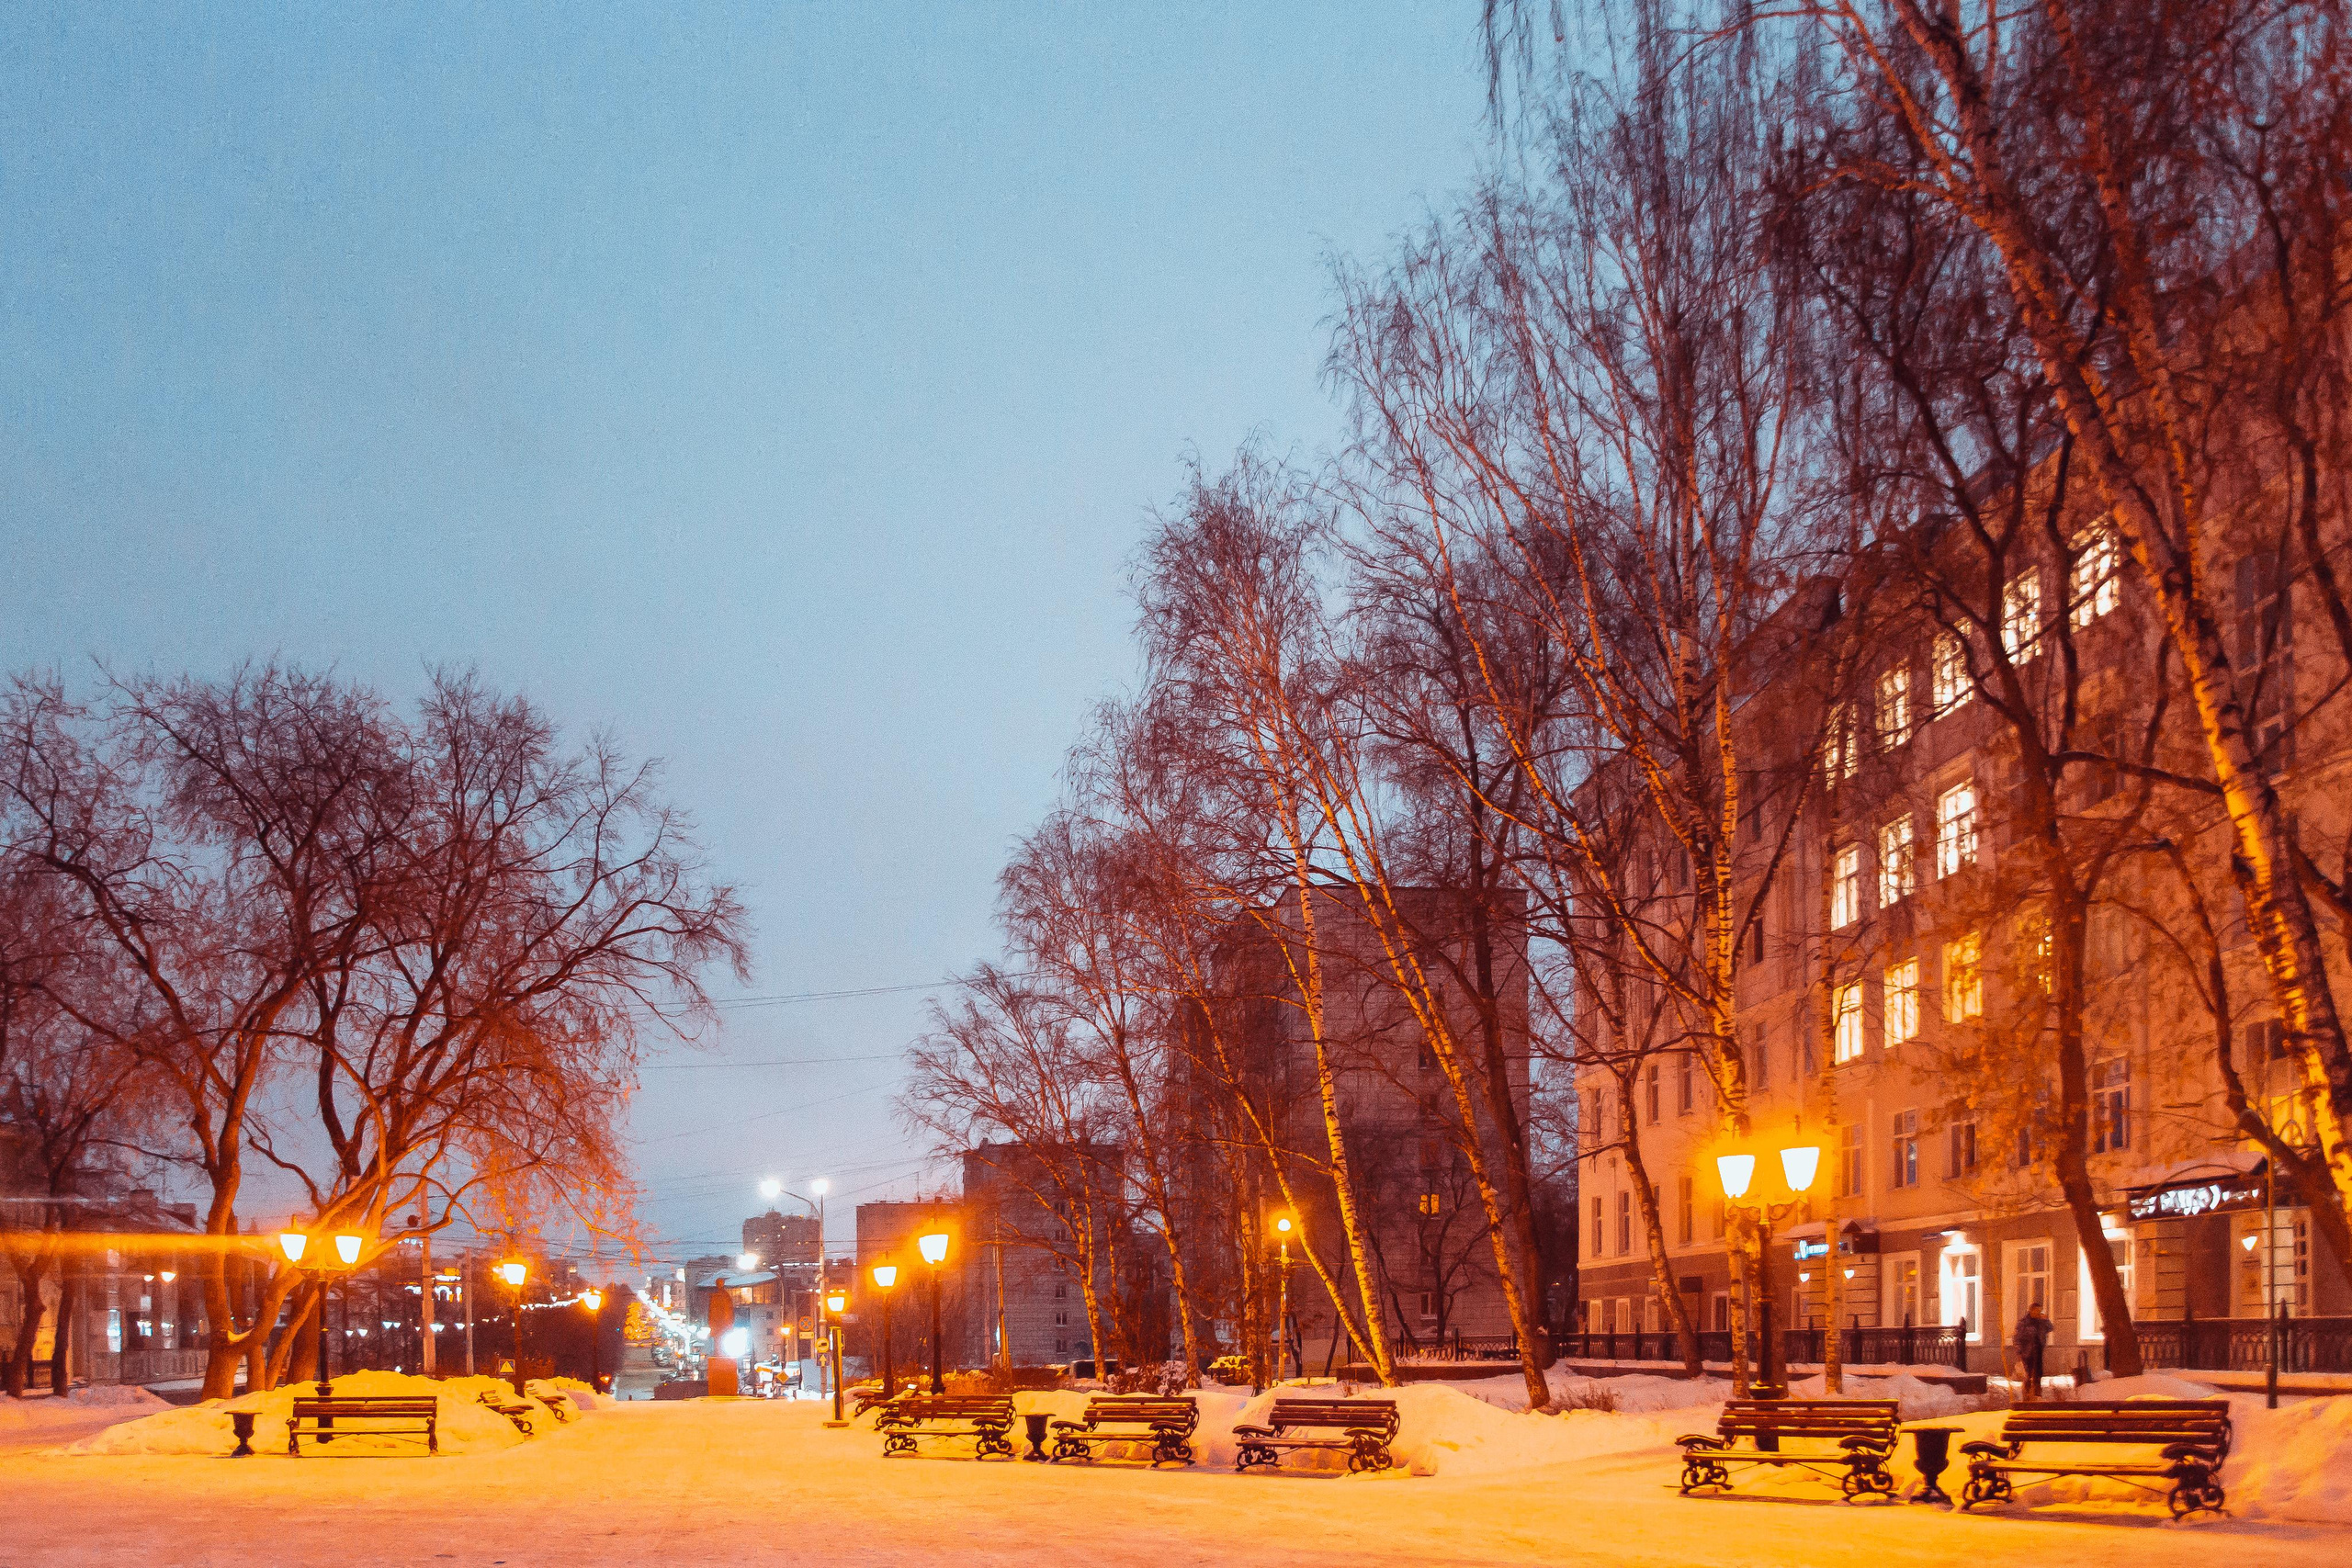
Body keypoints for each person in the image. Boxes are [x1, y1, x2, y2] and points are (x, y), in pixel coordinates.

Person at [2012, 1302, 2053, 1401]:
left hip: (2038, 1351)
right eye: (2036, 1311)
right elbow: (2017, 1338)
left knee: (2038, 1374)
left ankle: (2037, 1395)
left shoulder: (2041, 1322)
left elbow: (2051, 1328)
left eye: (2040, 1311)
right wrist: (2020, 1351)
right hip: (2027, 1353)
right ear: (2031, 1311)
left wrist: (2046, 1319)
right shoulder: (2024, 1323)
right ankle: (2027, 1396)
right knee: (2028, 1374)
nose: (2038, 1313)